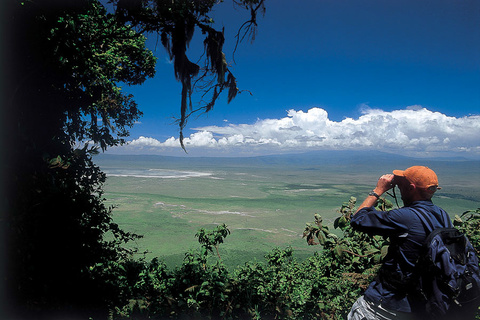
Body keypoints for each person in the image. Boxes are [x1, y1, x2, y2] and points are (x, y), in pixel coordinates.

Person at [347, 166, 450, 320]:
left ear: (411, 188)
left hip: (386, 304)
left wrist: (378, 190)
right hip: (423, 305)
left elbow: (358, 219)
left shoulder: (405, 217)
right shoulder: (443, 216)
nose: (399, 186)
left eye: (402, 183)